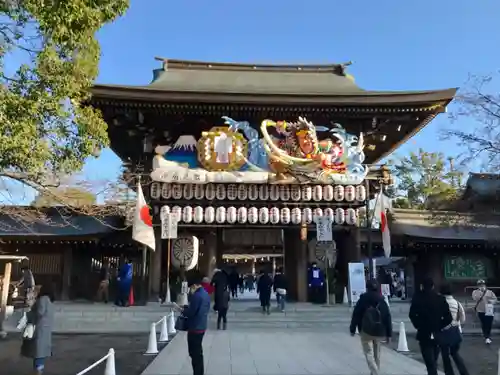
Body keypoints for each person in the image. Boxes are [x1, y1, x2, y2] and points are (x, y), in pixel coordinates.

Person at [409, 277, 452, 375]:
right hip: (437, 332)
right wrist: (440, 325)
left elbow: (412, 314)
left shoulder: (417, 298)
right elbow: (448, 318)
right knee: (434, 358)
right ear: (433, 286)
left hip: (423, 331)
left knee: (429, 360)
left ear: (422, 286)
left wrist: (418, 325)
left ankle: (432, 372)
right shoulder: (440, 299)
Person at [350, 279, 392, 375]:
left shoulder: (363, 299)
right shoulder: (381, 300)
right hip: (379, 330)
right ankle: (374, 372)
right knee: (377, 353)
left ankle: (375, 372)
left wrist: (353, 328)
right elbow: (387, 316)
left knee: (369, 352)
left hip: (366, 330)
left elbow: (356, 314)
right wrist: (389, 334)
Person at [21, 285, 55, 375]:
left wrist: (31, 312)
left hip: (39, 328)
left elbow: (40, 312)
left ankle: (37, 371)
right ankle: (38, 369)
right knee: (41, 352)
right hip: (45, 329)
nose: (38, 289)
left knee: (38, 351)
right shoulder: (49, 300)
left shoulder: (43, 299)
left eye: (39, 288)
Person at [182, 272, 211, 375]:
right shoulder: (205, 294)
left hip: (194, 327)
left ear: (194, 285)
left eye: (191, 287)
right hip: (202, 326)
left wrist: (182, 310)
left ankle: (198, 373)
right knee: (198, 352)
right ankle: (199, 372)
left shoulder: (196, 296)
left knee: (194, 353)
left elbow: (191, 312)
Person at [439, 283, 470, 375]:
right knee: (455, 354)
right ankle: (464, 372)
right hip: (455, 332)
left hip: (443, 332)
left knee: (445, 355)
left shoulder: (440, 303)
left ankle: (449, 373)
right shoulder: (457, 303)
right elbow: (463, 319)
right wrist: (456, 323)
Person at [472, 279, 497, 344]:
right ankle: (486, 336)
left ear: (485, 285)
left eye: (482, 284)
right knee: (484, 323)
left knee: (489, 323)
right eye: (480, 285)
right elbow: (475, 298)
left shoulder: (490, 292)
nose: (481, 286)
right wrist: (481, 293)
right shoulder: (475, 292)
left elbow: (495, 299)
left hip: (489, 310)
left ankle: (487, 336)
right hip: (481, 310)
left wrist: (492, 301)